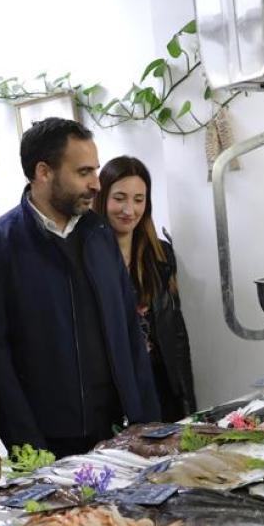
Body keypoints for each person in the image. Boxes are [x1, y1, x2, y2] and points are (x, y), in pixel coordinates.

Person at [0, 118, 159, 457]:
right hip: (52, 441)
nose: (96, 184)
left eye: (95, 171)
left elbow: (129, 332)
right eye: (84, 172)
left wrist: (150, 423)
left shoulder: (99, 234)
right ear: (44, 172)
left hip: (122, 429)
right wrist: (28, 447)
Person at [96, 156, 196, 421]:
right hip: (116, 391)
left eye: (138, 200)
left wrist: (187, 402)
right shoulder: (89, 259)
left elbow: (176, 333)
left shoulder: (160, 254)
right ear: (102, 197)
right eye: (119, 198)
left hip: (162, 383)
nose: (129, 210)